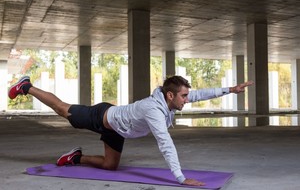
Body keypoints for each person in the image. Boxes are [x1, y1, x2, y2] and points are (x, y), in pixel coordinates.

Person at [8, 75, 253, 186]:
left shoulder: (169, 101)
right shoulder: (153, 110)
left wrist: (230, 90)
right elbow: (165, 144)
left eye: (187, 95)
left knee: (109, 167)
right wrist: (181, 178)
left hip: (118, 130)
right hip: (101, 117)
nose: (188, 100)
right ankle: (27, 86)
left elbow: (200, 94)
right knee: (63, 109)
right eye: (184, 96)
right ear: (170, 95)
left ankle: (75, 157)